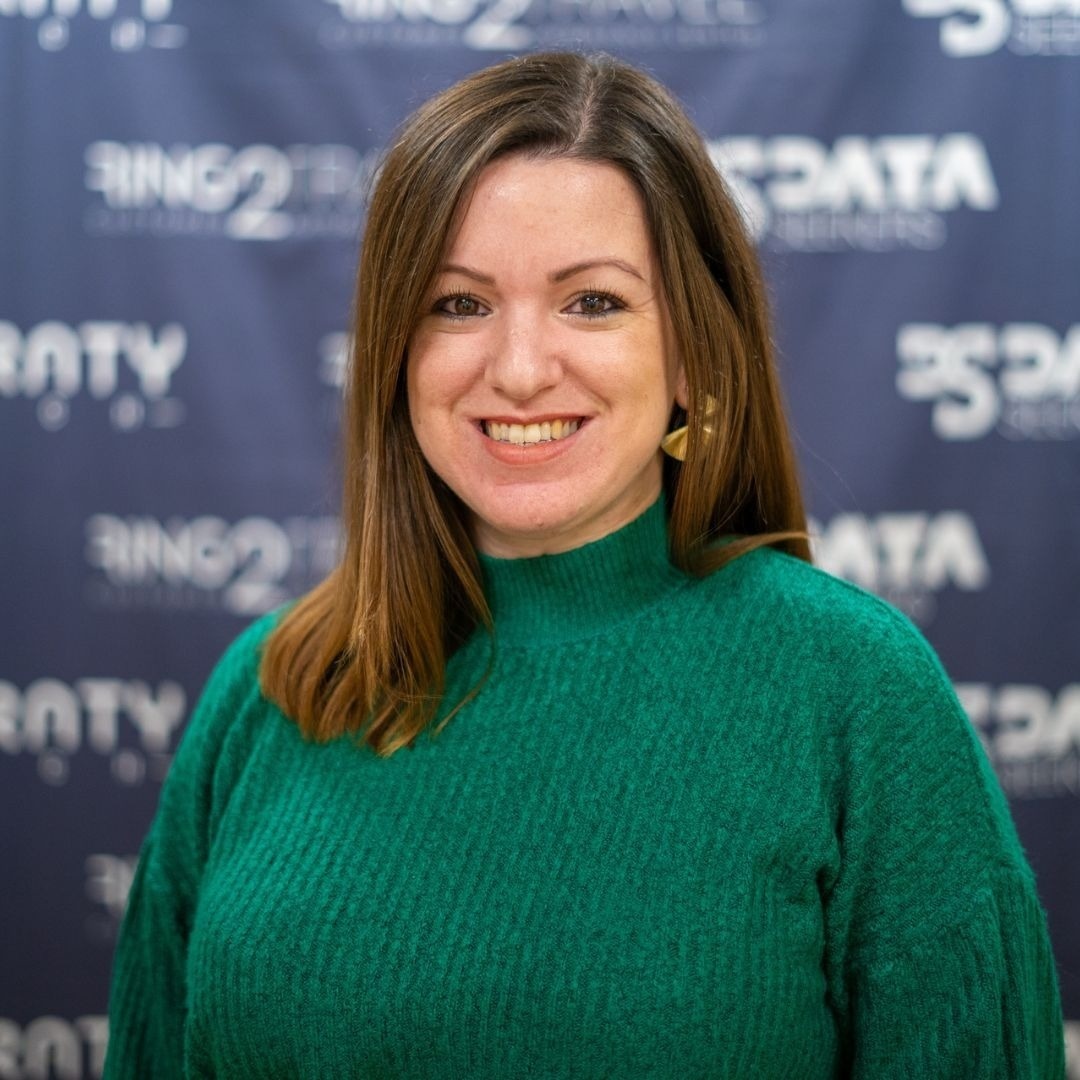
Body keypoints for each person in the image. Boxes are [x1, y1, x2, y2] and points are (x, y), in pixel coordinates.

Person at [103, 52, 1065, 1079]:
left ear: (695, 354)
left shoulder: (856, 693)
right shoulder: (273, 688)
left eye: (593, 303)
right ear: (395, 350)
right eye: (459, 305)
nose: (519, 369)